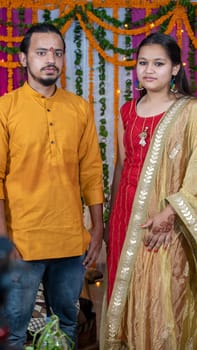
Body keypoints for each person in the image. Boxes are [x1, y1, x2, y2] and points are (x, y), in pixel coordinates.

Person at [0, 23, 104, 349]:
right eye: (41, 52)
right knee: (14, 332)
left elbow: (90, 170)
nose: (51, 59)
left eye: (57, 53)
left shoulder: (79, 108)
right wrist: (4, 240)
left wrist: (98, 229)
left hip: (70, 243)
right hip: (22, 243)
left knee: (65, 326)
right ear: (23, 59)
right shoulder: (5, 108)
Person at [101, 33, 197, 349]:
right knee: (124, 295)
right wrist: (109, 219)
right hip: (124, 218)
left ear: (174, 69)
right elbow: (122, 165)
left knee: (162, 297)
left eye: (158, 63)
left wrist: (171, 213)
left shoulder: (190, 111)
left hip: (165, 220)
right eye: (143, 63)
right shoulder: (128, 109)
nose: (149, 70)